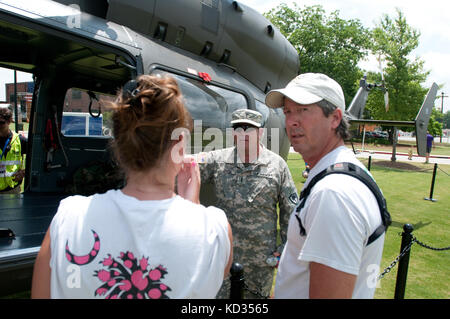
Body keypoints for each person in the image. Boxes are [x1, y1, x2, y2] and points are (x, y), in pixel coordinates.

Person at [31, 75, 233, 299]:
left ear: (117, 144)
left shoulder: (68, 218)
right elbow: (208, 275)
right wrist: (192, 207)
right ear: (180, 145)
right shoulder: (214, 229)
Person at [265, 73, 386, 299]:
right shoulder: (337, 172)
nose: (291, 121)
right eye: (288, 111)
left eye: (303, 110)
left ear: (335, 118)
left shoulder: (334, 194)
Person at [196, 109, 298, 299]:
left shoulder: (277, 165)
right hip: (225, 258)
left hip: (259, 262)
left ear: (260, 133)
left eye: (249, 129)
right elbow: (191, 163)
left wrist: (285, 249)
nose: (243, 134)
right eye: (238, 128)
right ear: (232, 133)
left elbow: (291, 211)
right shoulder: (218, 160)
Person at [0, 106, 27, 194]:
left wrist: (24, 172)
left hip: (12, 190)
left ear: (9, 121)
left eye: (1, 123)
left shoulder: (19, 140)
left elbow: (37, 158)